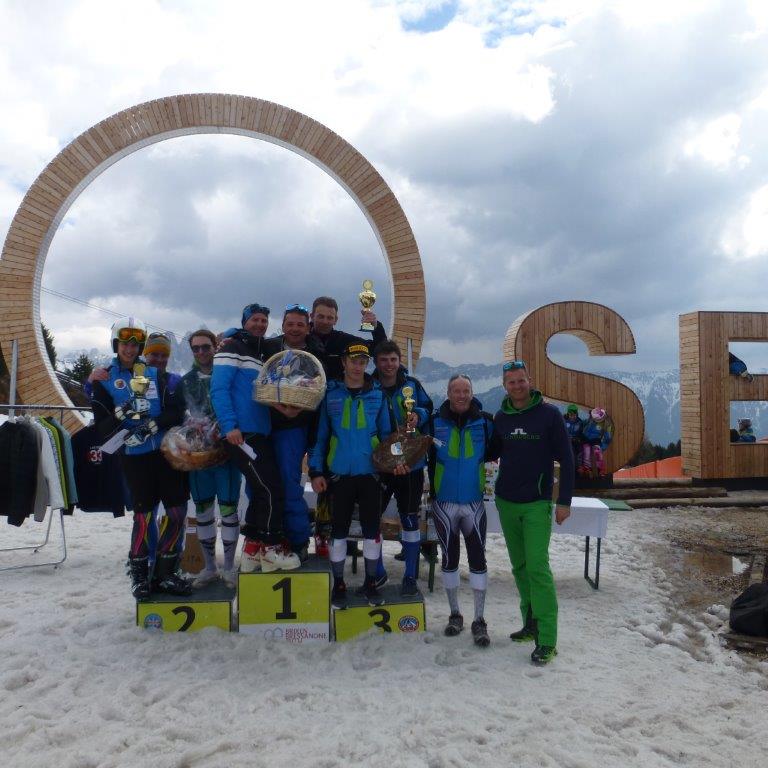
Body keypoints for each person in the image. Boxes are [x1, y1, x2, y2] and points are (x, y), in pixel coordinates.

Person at [91, 318, 191, 599]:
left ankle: (166, 573)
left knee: (176, 513)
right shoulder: (104, 378)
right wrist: (122, 413)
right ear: (116, 344)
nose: (130, 349)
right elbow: (101, 428)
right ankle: (139, 575)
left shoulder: (155, 374)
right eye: (125, 343)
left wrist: (154, 425)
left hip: (165, 454)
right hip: (134, 456)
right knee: (144, 516)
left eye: (135, 344)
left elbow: (176, 410)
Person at [490, 360, 574, 666]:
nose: (517, 386)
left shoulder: (549, 415)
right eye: (511, 382)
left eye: (521, 380)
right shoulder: (501, 417)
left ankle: (547, 639)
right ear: (505, 386)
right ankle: (531, 623)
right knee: (520, 567)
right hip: (507, 502)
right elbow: (491, 452)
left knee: (538, 567)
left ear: (530, 380)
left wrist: (564, 501)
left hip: (537, 502)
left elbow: (567, 458)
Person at [210, 303, 300, 573]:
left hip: (259, 431)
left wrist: (283, 409)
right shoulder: (231, 346)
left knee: (261, 490)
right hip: (241, 433)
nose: (260, 324)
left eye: (263, 320)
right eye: (255, 320)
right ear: (245, 322)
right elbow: (219, 389)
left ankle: (252, 551)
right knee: (271, 489)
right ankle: (271, 549)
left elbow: (260, 394)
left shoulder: (258, 352)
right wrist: (230, 426)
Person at [308, 342, 397, 608]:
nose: (358, 367)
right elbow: (320, 437)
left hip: (370, 474)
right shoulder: (330, 394)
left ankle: (370, 584)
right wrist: (316, 471)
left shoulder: (378, 395)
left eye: (363, 362)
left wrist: (393, 465)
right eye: (354, 361)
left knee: (372, 531)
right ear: (344, 363)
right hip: (339, 474)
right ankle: (339, 585)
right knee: (338, 531)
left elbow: (387, 436)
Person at [427, 374, 495, 647]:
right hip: (443, 504)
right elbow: (419, 451)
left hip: (473, 504)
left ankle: (479, 620)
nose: (462, 395)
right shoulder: (434, 422)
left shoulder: (485, 422)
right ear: (448, 393)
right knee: (449, 558)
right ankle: (455, 614)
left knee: (478, 559)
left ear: (472, 392)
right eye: (457, 391)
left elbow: (498, 451)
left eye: (466, 390)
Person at [181, 329, 243, 588]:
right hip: (199, 456)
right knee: (203, 510)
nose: (201, 352)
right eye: (195, 348)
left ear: (216, 346)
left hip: (227, 454)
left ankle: (228, 567)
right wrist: (189, 425)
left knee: (228, 509)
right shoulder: (186, 381)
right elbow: (180, 414)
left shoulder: (227, 374)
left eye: (205, 347)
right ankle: (209, 567)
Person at [372, 340, 432, 596]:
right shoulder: (369, 386)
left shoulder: (412, 385)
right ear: (376, 362)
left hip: (410, 463)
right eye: (384, 360)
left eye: (393, 360)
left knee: (409, 518)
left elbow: (429, 408)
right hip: (380, 464)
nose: (389, 365)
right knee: (372, 518)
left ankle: (410, 575)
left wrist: (418, 414)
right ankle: (377, 571)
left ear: (399, 361)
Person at [266, 304, 326, 560]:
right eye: (290, 324)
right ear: (282, 326)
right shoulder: (269, 347)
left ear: (308, 327)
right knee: (264, 487)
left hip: (295, 427)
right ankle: (268, 540)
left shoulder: (316, 353)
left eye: (300, 324)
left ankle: (298, 541)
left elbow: (318, 392)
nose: (294, 329)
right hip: (265, 425)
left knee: (290, 485)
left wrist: (297, 412)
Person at [308, 296, 387, 381]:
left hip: (336, 388)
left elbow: (380, 349)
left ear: (336, 320)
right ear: (312, 316)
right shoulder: (301, 337)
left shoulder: (343, 340)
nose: (325, 321)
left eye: (330, 318)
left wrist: (376, 327)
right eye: (321, 317)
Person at [580, 407, 612, 476]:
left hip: (596, 441)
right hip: (586, 439)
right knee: (586, 453)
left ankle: (600, 468)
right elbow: (582, 424)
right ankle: (586, 467)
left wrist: (604, 445)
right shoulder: (589, 421)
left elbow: (607, 437)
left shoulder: (604, 424)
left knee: (597, 454)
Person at [563, 404, 584, 470]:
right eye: (571, 415)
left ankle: (576, 468)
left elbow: (581, 434)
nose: (573, 417)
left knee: (576, 451)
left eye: (574, 415)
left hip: (575, 443)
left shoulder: (579, 422)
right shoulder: (564, 421)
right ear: (568, 414)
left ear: (577, 414)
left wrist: (577, 439)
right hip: (566, 442)